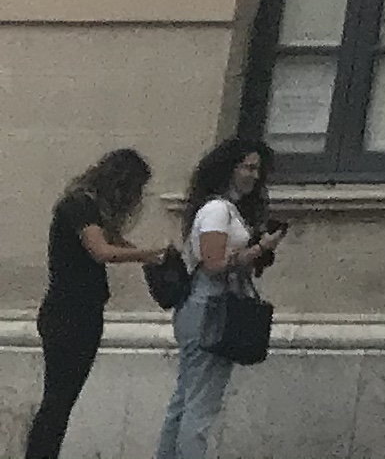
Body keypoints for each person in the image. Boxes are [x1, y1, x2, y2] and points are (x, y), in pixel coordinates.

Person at [32, 151, 166, 459]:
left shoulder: (86, 208)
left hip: (77, 312)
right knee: (57, 401)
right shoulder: (81, 206)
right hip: (71, 315)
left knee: (60, 401)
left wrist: (146, 256)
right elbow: (101, 250)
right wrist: (147, 254)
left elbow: (114, 241)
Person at [153, 143, 278, 459]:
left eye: (256, 169)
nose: (254, 175)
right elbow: (215, 263)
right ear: (229, 168)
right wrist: (260, 248)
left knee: (186, 399)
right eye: (247, 167)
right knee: (201, 405)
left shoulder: (223, 210)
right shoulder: (217, 210)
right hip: (208, 307)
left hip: (204, 306)